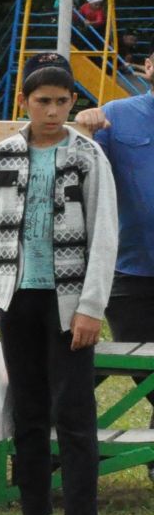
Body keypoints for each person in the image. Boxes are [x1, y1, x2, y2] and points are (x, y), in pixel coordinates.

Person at [0, 58, 118, 515]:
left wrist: (91, 306)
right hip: (18, 296)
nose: (52, 111)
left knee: (73, 412)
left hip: (69, 299)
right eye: (42, 102)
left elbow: (104, 235)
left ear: (72, 103)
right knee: (28, 412)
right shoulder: (3, 156)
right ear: (25, 104)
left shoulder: (88, 156)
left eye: (61, 101)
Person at [75, 56, 154, 467]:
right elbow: (85, 173)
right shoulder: (117, 116)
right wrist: (86, 128)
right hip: (130, 268)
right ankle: (62, 449)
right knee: (139, 363)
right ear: (147, 67)